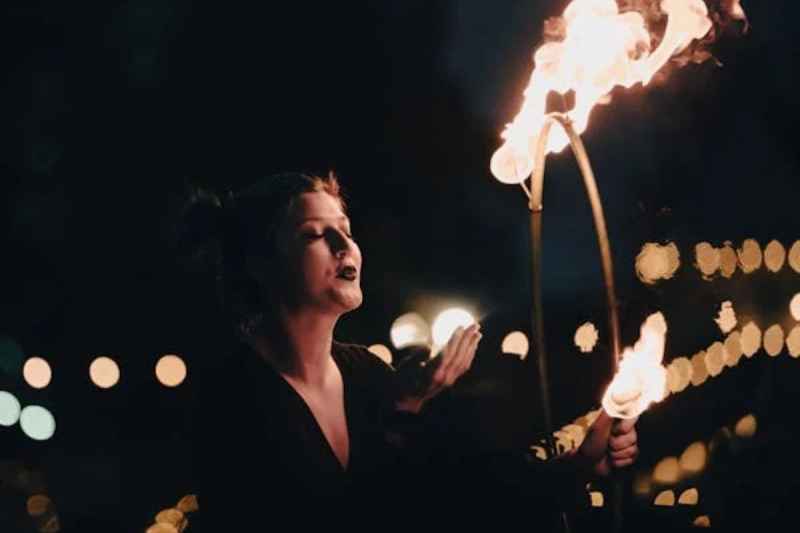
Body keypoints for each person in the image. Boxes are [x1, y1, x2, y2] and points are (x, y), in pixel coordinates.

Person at [177, 171, 638, 531]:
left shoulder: (367, 374)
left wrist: (580, 464)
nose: (344, 247)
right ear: (261, 264)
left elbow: (463, 496)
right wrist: (407, 409)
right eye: (314, 235)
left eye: (345, 229)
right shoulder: (230, 396)